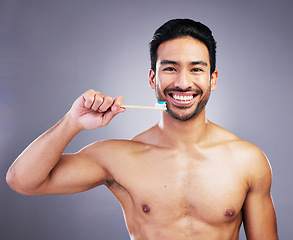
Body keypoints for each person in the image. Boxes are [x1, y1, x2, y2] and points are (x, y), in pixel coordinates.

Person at [6, 19, 278, 240]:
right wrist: (72, 122)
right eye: (170, 68)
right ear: (153, 78)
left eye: (196, 69)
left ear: (213, 79)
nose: (183, 83)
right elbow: (23, 181)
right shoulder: (120, 157)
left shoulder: (248, 160)